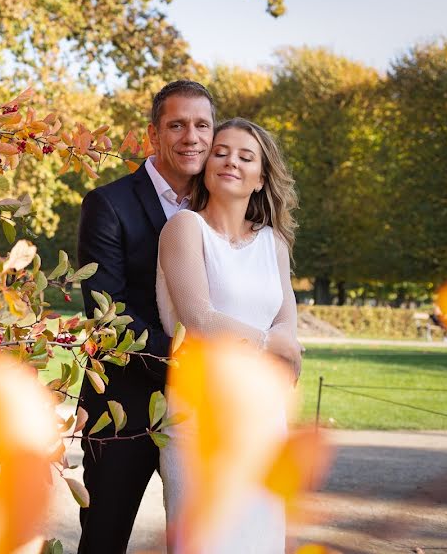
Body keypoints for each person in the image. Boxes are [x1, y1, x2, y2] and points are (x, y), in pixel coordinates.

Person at [76, 80, 215, 553]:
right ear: (154, 135)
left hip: (204, 408)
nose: (191, 137)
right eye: (177, 125)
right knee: (104, 540)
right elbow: (107, 315)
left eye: (202, 125)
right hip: (123, 407)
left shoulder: (226, 207)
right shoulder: (108, 204)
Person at [156, 118, 302, 552]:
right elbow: (200, 319)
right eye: (220, 152)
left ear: (260, 178)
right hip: (200, 411)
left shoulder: (273, 242)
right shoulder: (184, 228)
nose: (231, 162)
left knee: (259, 539)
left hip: (262, 417)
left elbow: (287, 326)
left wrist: (281, 347)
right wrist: (268, 345)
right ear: (205, 165)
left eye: (245, 156)